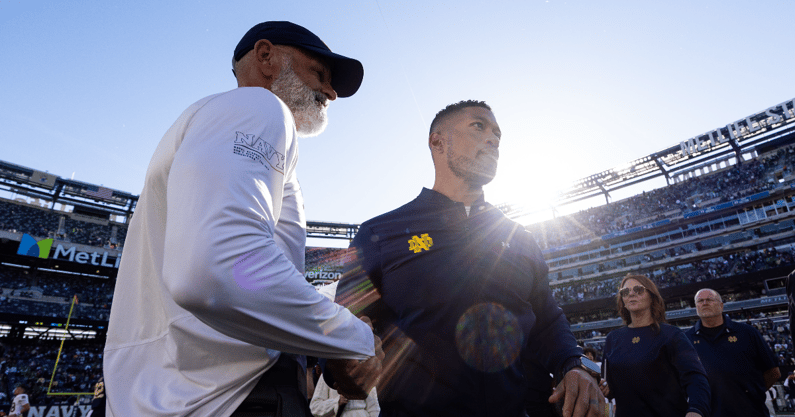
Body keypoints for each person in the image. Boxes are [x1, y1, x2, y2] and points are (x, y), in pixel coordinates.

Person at [103, 21, 382, 416]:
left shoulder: (203, 122)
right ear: (266, 57)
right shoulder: (259, 107)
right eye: (319, 73)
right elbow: (218, 269)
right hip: (234, 398)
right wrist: (352, 337)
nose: (331, 92)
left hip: (170, 395)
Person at [334, 100, 603, 417]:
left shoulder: (520, 238)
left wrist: (574, 365)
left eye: (498, 135)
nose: (493, 140)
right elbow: (343, 330)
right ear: (438, 140)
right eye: (479, 126)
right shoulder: (379, 234)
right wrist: (345, 366)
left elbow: (547, 319)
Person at [602, 274, 710, 417]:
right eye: (625, 292)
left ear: (651, 296)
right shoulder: (612, 338)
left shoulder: (671, 334)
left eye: (638, 290)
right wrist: (604, 388)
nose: (631, 293)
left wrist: (696, 410)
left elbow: (696, 378)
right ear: (622, 299)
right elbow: (610, 388)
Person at [685, 288, 780, 417]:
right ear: (696, 307)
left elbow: (773, 372)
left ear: (721, 305)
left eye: (710, 300)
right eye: (700, 301)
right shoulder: (686, 339)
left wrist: (753, 392)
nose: (705, 303)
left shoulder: (747, 333)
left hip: (750, 412)